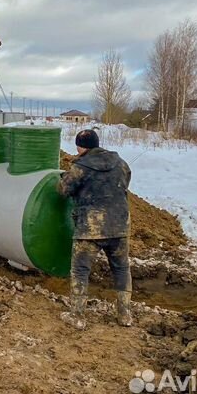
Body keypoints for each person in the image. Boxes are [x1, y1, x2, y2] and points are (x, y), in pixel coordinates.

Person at [57, 129, 132, 330]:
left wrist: (65, 176)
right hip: (119, 225)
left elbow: (63, 190)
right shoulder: (121, 163)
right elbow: (125, 185)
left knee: (80, 270)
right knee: (122, 268)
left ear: (81, 147)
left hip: (90, 228)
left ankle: (78, 316)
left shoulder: (80, 167)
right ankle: (124, 315)